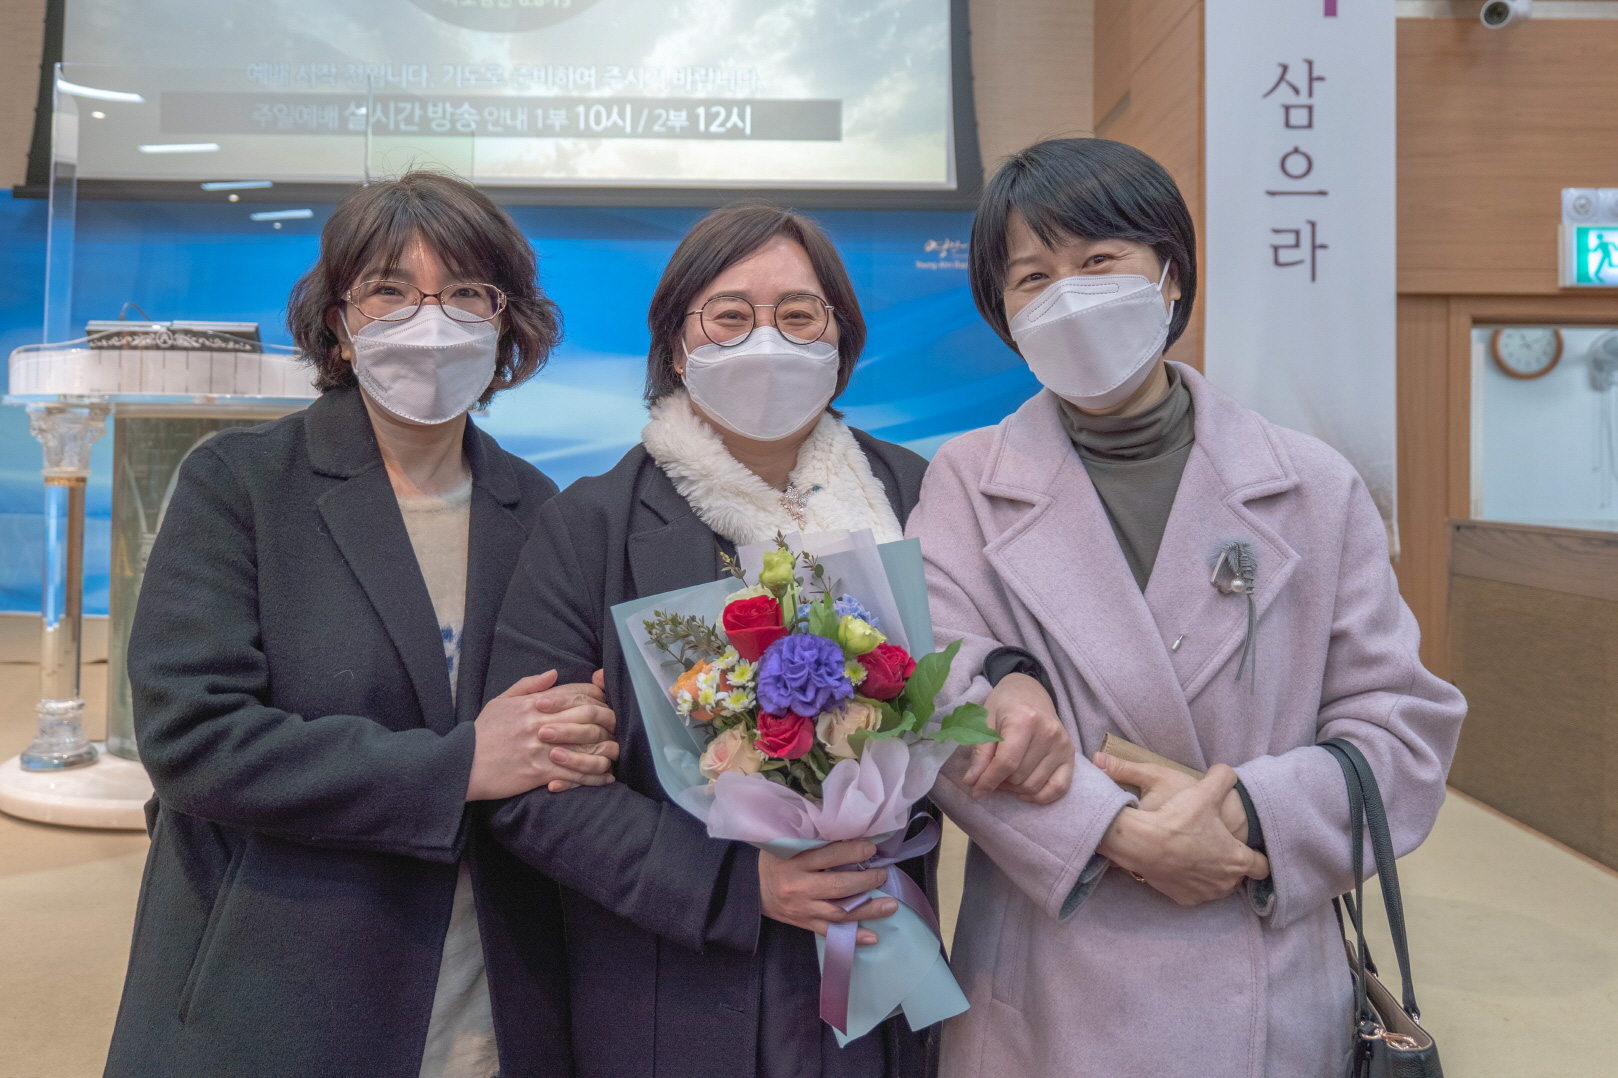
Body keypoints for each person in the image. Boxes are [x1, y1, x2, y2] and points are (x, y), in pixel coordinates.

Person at [906, 138, 1467, 1077]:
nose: (1068, 296)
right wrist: (1119, 833)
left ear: (1170, 273)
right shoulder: (967, 480)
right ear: (1004, 313)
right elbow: (935, 701)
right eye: (1032, 278)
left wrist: (1242, 815)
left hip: (1264, 975)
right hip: (1046, 985)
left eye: (1098, 261)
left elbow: (1400, 729)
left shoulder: (1312, 485)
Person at [480, 202, 1072, 1078]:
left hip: (881, 975)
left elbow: (980, 640)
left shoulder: (917, 494)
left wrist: (1015, 677)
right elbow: (534, 792)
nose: (766, 339)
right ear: (676, 347)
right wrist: (735, 886)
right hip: (674, 998)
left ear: (841, 341)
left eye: (798, 314)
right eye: (729, 315)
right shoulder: (590, 527)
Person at [103, 171, 618, 1078]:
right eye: (389, 290)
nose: (431, 321)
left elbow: (556, 734)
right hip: (281, 986)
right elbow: (192, 738)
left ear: (506, 323)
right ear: (340, 324)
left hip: (482, 991)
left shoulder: (542, 510)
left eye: (466, 293)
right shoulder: (242, 484)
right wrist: (460, 765)